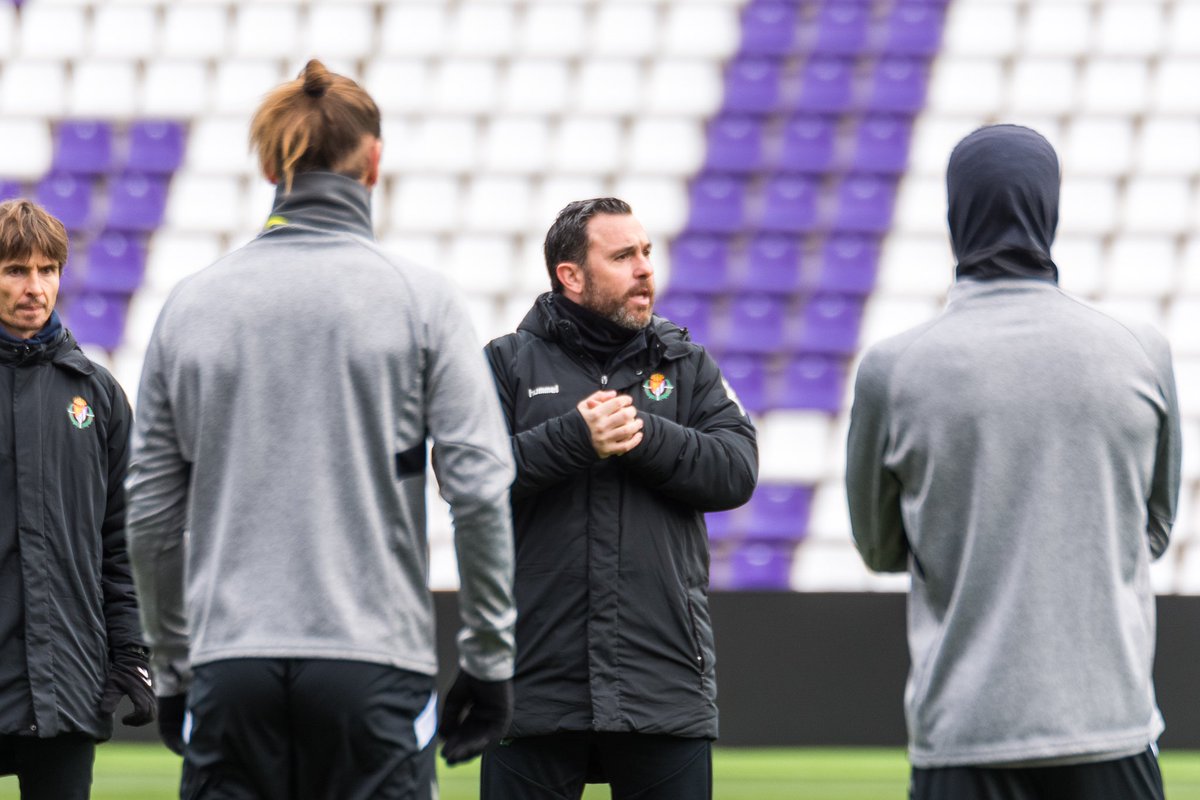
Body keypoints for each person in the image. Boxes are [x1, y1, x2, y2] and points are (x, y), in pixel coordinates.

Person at [125, 60, 517, 800]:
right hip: (374, 664)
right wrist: (490, 659)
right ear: (373, 160)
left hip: (229, 662)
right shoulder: (422, 301)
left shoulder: (192, 305)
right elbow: (480, 492)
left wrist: (175, 667)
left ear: (271, 162)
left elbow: (149, 513)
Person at [846, 124, 1180, 800]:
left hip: (965, 734)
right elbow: (1155, 529)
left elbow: (880, 549)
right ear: (1051, 211)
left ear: (952, 219)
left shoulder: (895, 367)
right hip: (1110, 724)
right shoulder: (1140, 351)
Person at [480, 197, 758, 799]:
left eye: (647, 253)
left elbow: (736, 470)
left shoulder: (686, 364)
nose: (644, 269)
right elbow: (466, 478)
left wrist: (640, 433)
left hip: (661, 681)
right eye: (623, 255)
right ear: (571, 276)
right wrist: (575, 439)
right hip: (534, 684)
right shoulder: (505, 364)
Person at [0, 199, 154, 799]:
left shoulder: (98, 394)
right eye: (15, 269)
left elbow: (121, 541)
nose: (34, 286)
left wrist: (131, 652)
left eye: (47, 270)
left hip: (67, 684)